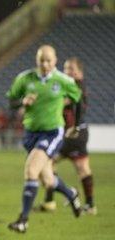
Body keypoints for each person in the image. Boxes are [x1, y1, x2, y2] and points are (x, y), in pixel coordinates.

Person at [6, 45, 82, 233]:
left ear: (55, 60)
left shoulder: (63, 80)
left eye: (49, 60)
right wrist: (22, 102)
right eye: (42, 60)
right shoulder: (25, 78)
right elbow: (11, 102)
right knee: (48, 180)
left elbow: (77, 100)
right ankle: (71, 194)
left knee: (31, 171)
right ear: (37, 60)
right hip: (31, 133)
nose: (45, 64)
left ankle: (23, 220)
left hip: (52, 132)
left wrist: (75, 126)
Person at [39, 57, 95, 215]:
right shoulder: (70, 85)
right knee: (78, 168)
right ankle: (89, 204)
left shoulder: (76, 86)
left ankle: (57, 199)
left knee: (46, 163)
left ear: (79, 72)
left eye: (71, 69)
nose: (67, 71)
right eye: (66, 68)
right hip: (72, 132)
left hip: (74, 133)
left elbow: (66, 102)